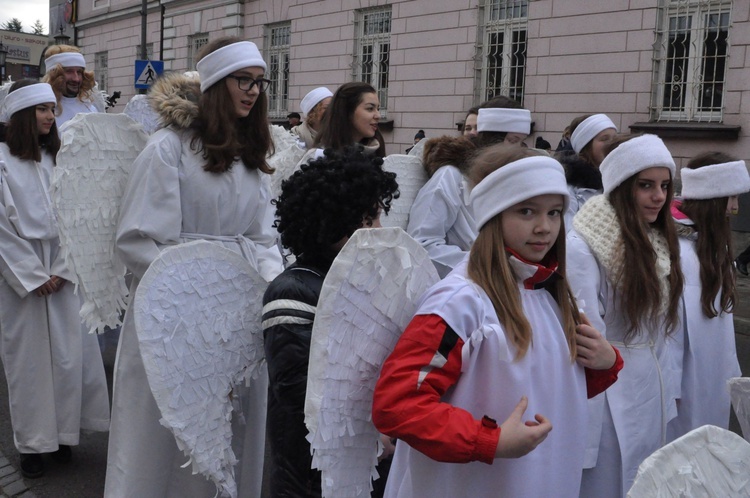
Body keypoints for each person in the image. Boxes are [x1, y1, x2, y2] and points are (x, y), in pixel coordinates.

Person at [373, 144, 623, 497]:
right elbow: (398, 404)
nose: (544, 227)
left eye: (554, 213)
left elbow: (547, 384)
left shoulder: (550, 292)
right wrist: (488, 440)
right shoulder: (460, 302)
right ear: (493, 215)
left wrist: (605, 363)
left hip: (542, 479)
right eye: (526, 211)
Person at [104, 37, 284, 497]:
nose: (253, 91)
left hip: (234, 317)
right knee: (165, 438)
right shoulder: (168, 149)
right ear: (218, 83)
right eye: (243, 80)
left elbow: (262, 237)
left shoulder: (249, 154)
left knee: (230, 427)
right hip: (173, 316)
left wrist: (266, 286)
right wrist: (197, 289)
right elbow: (135, 239)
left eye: (259, 83)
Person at [263, 145, 399, 497]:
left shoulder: (365, 276)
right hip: (311, 468)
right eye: (369, 220)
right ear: (333, 221)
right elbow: (298, 386)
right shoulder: (293, 290)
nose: (379, 229)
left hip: (370, 450)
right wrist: (371, 429)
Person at [0, 80, 110, 479]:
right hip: (22, 274)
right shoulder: (1, 161)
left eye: (52, 108)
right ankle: (33, 444)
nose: (51, 115)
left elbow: (77, 213)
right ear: (21, 116)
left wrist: (63, 268)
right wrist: (31, 274)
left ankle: (64, 434)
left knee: (69, 356)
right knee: (29, 362)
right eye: (42, 109)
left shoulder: (58, 159)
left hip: (62, 271)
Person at [566, 134, 684, 497]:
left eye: (664, 185)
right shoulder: (583, 246)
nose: (659, 196)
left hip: (651, 381)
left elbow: (661, 329)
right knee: (610, 481)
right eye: (645, 185)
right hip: (609, 390)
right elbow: (583, 331)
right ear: (620, 186)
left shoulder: (656, 238)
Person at [667, 152, 748, 440]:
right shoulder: (675, 248)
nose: (735, 208)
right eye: (730, 198)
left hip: (713, 376)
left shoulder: (714, 244)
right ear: (711, 198)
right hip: (684, 382)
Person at [407, 99, 531, 278]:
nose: (520, 150)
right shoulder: (451, 177)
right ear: (491, 140)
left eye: (522, 141)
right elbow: (421, 245)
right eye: (513, 140)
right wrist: (488, 269)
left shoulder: (513, 183)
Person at [556, 113, 618, 229]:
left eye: (615, 139)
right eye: (604, 139)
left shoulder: (619, 180)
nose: (611, 144)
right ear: (586, 145)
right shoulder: (569, 187)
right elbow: (568, 232)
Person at [312, 81, 384, 157]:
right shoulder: (317, 157)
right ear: (347, 111)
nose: (378, 116)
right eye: (370, 108)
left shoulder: (379, 155)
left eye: (378, 109)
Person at [42, 45, 103, 128]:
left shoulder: (90, 108)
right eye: (69, 71)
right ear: (54, 75)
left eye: (79, 72)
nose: (76, 79)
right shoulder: (44, 110)